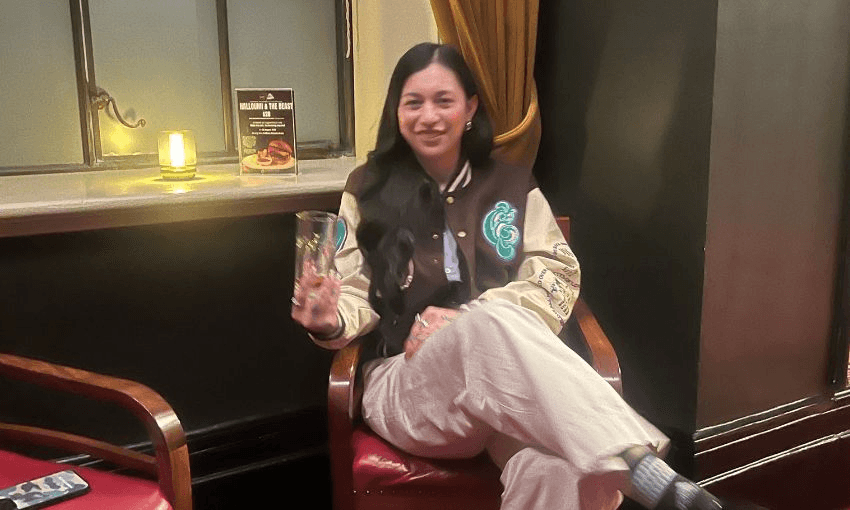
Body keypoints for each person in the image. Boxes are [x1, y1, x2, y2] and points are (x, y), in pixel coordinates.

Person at [292, 42, 729, 510]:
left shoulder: (513, 185)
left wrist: (469, 318)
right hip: (408, 387)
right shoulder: (367, 188)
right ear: (395, 110)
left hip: (508, 391)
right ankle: (644, 471)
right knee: (484, 324)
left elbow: (558, 271)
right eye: (413, 102)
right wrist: (328, 319)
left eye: (444, 101)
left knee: (560, 467)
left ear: (471, 108)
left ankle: (630, 466)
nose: (429, 116)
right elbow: (352, 294)